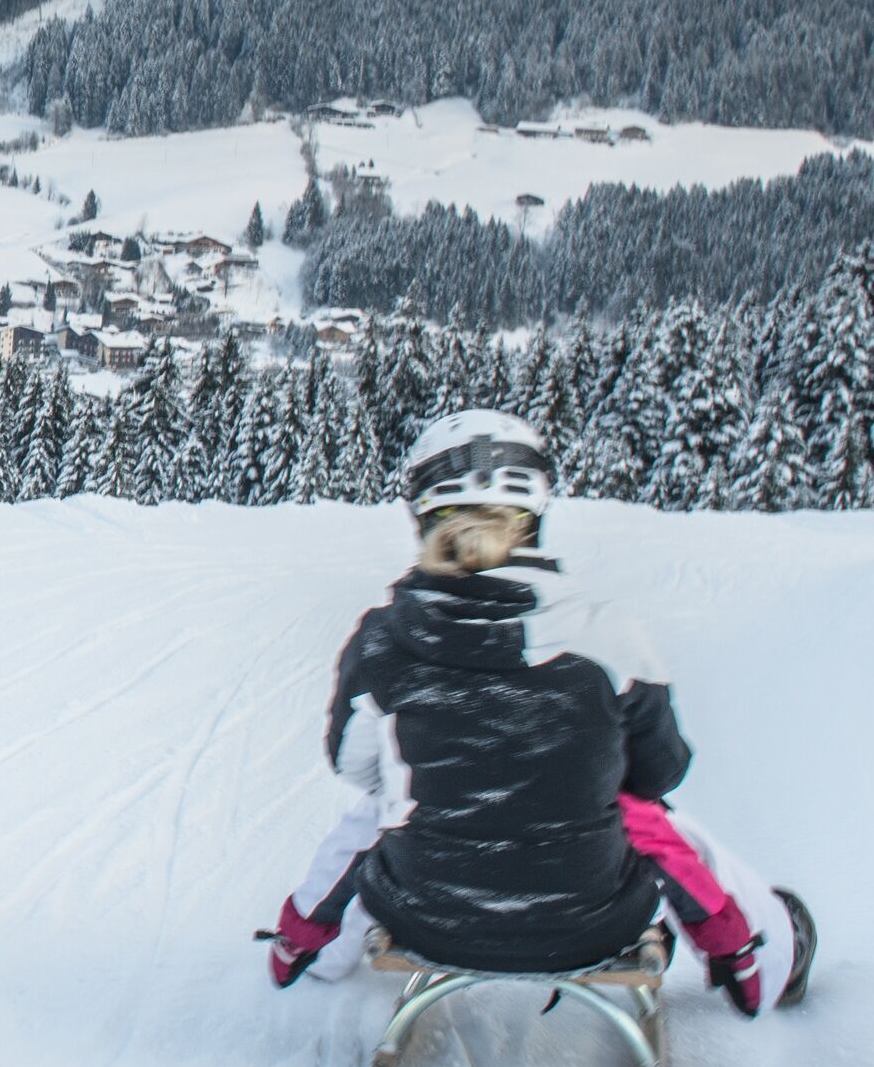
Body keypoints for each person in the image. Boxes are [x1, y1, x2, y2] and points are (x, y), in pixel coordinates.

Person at [264, 410, 813, 1016]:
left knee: (387, 807)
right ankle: (761, 950)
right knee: (644, 817)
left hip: (425, 916)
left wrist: (449, 773)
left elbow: (355, 767)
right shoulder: (609, 636)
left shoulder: (383, 641)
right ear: (534, 515)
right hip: (594, 921)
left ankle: (309, 947)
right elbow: (659, 773)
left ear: (423, 515)